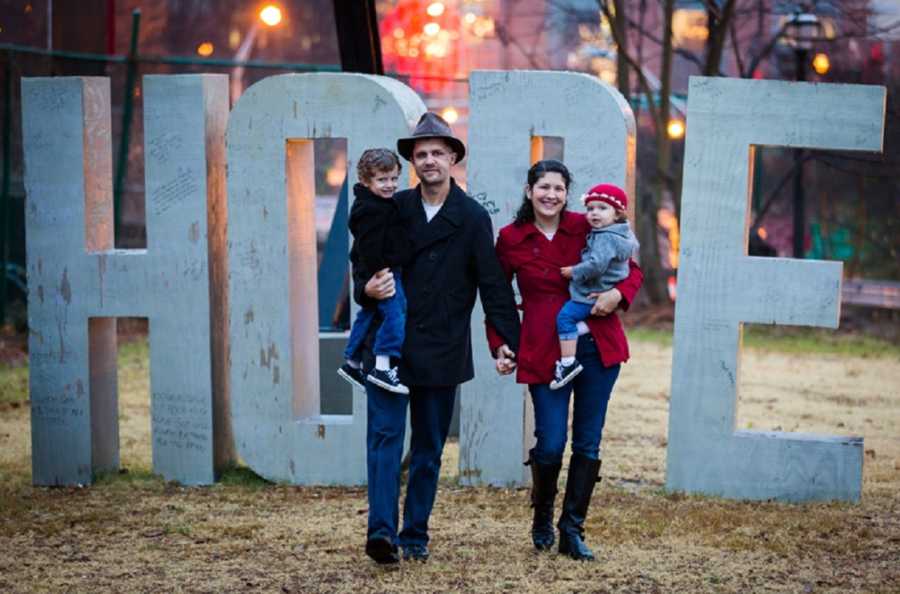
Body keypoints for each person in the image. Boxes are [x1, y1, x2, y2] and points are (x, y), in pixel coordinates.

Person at [356, 112, 520, 564]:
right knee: (384, 441)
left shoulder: (470, 217)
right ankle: (381, 534)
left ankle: (415, 534)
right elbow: (363, 257)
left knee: (428, 449)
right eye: (420, 153)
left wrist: (506, 338)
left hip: (443, 348)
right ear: (412, 161)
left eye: (437, 153)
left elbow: (491, 282)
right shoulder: (393, 206)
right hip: (390, 345)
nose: (429, 160)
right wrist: (363, 289)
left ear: (452, 158)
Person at [487, 160, 643, 561]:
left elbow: (631, 267)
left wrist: (619, 295)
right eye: (543, 187)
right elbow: (497, 296)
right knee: (552, 442)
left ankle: (571, 529)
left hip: (598, 344)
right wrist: (500, 343)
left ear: (566, 193)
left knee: (588, 440)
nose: (550, 195)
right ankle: (542, 515)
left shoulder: (587, 224)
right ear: (529, 191)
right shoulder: (511, 238)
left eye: (558, 188)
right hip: (542, 346)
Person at [338, 148, 411, 395]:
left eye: (393, 178)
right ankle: (382, 366)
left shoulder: (376, 203)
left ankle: (351, 362)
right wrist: (381, 272)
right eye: (382, 180)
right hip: (384, 272)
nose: (389, 185)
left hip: (378, 270)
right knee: (395, 315)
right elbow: (369, 246)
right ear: (365, 181)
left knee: (368, 314)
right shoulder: (372, 210)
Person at [552, 183, 638, 389]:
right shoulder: (621, 234)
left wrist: (574, 271)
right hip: (603, 287)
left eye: (602, 208)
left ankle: (568, 363)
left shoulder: (604, 236)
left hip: (592, 291)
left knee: (565, 317)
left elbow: (597, 264)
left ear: (617, 214)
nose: (594, 213)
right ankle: (584, 328)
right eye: (590, 209)